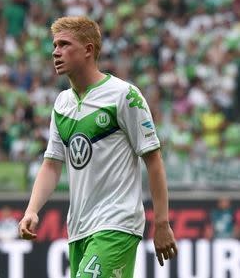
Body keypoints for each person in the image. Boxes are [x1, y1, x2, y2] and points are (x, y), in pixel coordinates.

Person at [18, 16, 178, 278]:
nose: (55, 52)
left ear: (88, 50)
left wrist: (161, 222)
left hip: (117, 223)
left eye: (64, 44)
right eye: (55, 45)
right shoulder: (61, 104)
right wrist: (32, 210)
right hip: (79, 228)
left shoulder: (123, 95)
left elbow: (153, 159)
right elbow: (51, 164)